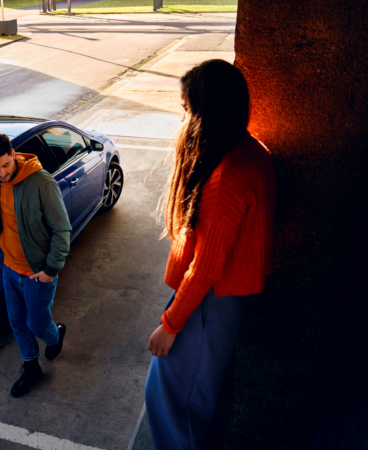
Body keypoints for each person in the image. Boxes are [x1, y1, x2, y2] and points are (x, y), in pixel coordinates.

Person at [144, 59, 277, 449]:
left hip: (210, 301)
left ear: (207, 112)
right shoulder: (252, 150)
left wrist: (169, 325)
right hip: (226, 299)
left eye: (187, 110)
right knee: (204, 398)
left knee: (171, 402)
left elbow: (206, 267)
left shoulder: (226, 175)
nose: (182, 119)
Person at [0, 133, 72, 398]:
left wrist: (50, 270)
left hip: (37, 273)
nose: (1, 173)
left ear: (13, 154)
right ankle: (31, 367)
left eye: (5, 165)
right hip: (9, 268)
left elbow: (62, 230)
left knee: (37, 325)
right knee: (16, 322)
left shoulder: (41, 183)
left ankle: (56, 334)